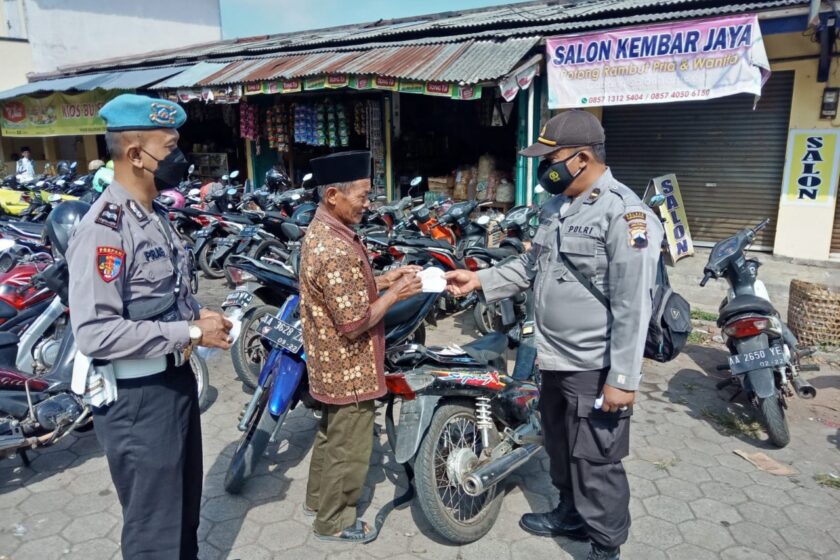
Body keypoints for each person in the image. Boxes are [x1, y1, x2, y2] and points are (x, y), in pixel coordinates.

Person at [445, 111, 664, 560]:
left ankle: (605, 545)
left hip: (594, 365)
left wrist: (623, 378)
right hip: (554, 359)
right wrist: (481, 281)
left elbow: (633, 304)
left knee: (596, 460)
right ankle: (570, 514)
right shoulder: (556, 208)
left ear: (582, 158)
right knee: (560, 446)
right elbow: (530, 267)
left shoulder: (626, 215)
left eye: (552, 159)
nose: (546, 168)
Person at [66, 94, 232, 560]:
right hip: (137, 401)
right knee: (153, 532)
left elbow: (167, 297)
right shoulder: (105, 228)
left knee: (183, 518)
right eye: (171, 145)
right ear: (136, 154)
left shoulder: (156, 217)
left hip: (174, 383)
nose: (181, 158)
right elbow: (96, 333)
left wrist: (200, 319)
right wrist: (191, 333)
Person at [299, 150, 422, 544]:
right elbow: (353, 322)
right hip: (347, 366)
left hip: (328, 362)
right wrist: (399, 292)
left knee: (331, 435)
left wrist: (386, 280)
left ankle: (319, 501)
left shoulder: (325, 230)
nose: (368, 204)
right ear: (334, 194)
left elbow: (350, 291)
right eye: (363, 196)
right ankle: (334, 521)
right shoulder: (333, 248)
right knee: (350, 449)